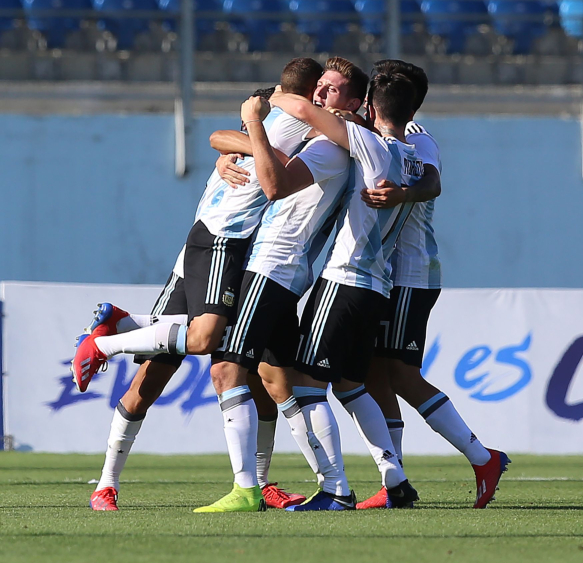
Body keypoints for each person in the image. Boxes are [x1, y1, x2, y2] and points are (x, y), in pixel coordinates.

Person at [79, 57, 325, 512]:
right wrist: (252, 140)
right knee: (164, 371)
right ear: (305, 94)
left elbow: (221, 136)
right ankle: (106, 482)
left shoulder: (270, 127)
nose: (325, 99)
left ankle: (258, 481)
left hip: (229, 254)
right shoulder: (285, 115)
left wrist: (243, 142)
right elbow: (248, 148)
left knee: (261, 375)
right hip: (218, 246)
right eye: (321, 90)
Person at [198, 57, 371, 513]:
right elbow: (239, 144)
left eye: (330, 90)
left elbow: (273, 185)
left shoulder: (331, 147)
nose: (318, 95)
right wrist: (229, 150)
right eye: (319, 87)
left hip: (272, 266)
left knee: (225, 369)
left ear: (352, 104)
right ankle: (335, 488)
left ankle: (247, 489)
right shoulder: (325, 138)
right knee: (281, 380)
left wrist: (253, 123)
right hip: (281, 268)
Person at [349, 60, 510, 510]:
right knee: (372, 372)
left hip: (410, 273)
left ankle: (483, 457)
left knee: (398, 373)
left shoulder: (417, 137)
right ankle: (394, 481)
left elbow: (433, 182)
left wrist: (403, 193)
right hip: (387, 274)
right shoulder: (370, 132)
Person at [263, 71, 426, 508]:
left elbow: (301, 110)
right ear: (411, 114)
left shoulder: (366, 142)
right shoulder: (412, 158)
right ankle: (396, 481)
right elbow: (433, 182)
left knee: (306, 384)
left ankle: (335, 492)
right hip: (378, 286)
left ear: (370, 106)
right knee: (352, 386)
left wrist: (271, 98)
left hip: (344, 279)